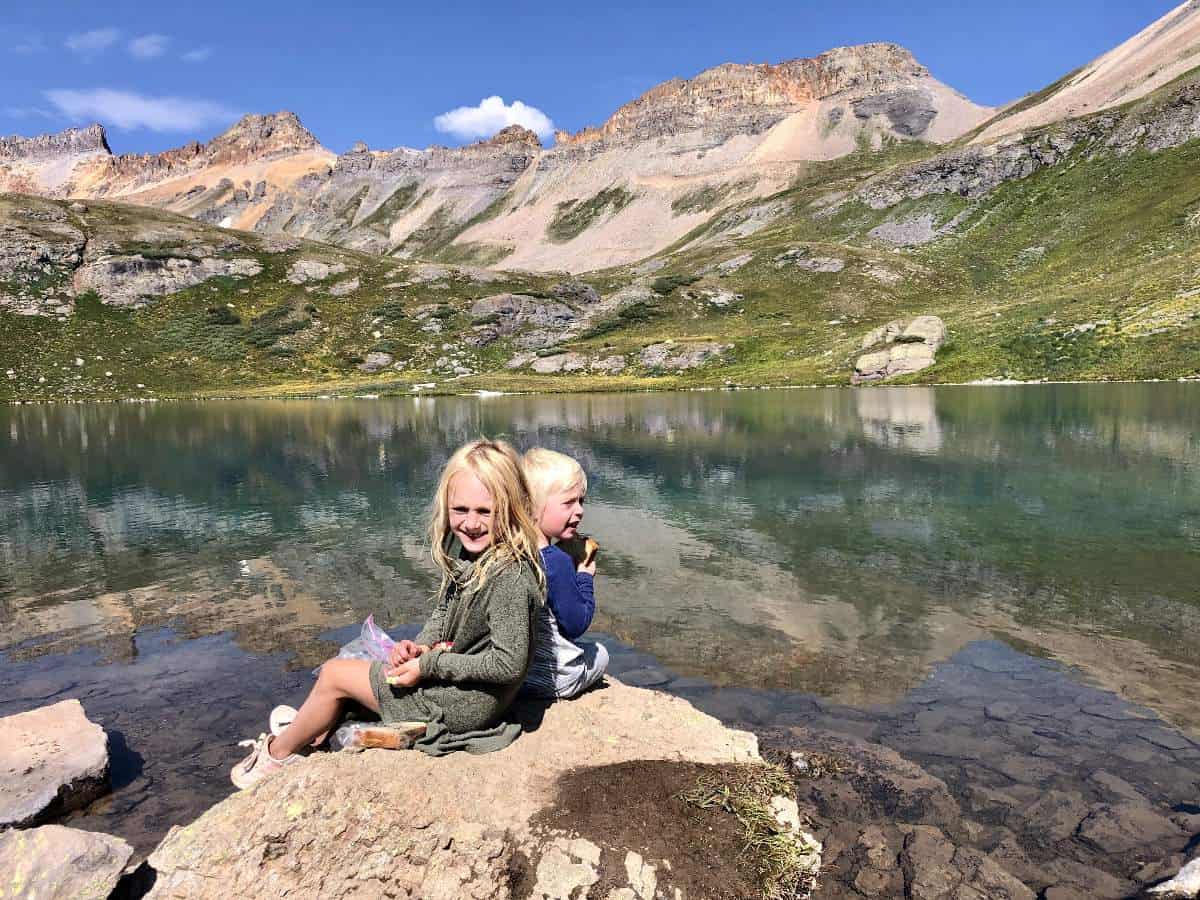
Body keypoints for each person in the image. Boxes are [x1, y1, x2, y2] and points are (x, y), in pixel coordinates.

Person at [231, 438, 546, 788]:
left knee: (335, 674)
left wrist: (429, 666)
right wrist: (420, 647)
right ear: (447, 506)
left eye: (485, 512)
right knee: (361, 662)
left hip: (463, 706)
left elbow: (508, 663)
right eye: (461, 510)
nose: (471, 523)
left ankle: (276, 756)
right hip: (463, 692)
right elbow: (443, 616)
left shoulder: (509, 578)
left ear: (512, 509)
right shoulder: (477, 558)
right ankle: (313, 731)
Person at [521, 447, 609, 699]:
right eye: (569, 502)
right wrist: (584, 576)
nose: (579, 510)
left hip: (515, 676)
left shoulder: (512, 553)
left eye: (581, 501)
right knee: (600, 652)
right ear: (533, 507)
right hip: (552, 680)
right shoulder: (555, 561)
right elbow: (575, 624)